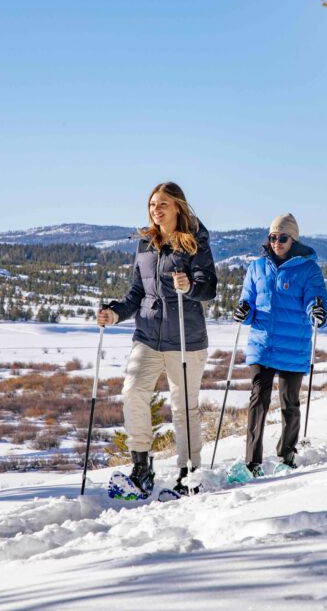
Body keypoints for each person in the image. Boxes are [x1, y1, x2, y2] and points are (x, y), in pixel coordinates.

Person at [98, 182, 217, 495]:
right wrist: (115, 313)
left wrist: (189, 285)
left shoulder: (195, 242)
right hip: (148, 337)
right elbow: (137, 292)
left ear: (178, 206)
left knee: (184, 407)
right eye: (152, 204)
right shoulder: (146, 244)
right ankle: (141, 466)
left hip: (186, 340)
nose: (156, 210)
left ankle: (188, 474)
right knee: (133, 391)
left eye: (163, 203)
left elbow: (209, 288)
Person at [233, 213, 327, 476]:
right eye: (273, 237)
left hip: (293, 346)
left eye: (282, 237)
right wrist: (244, 312)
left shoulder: (308, 269)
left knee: (289, 404)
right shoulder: (256, 267)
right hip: (262, 345)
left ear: (293, 239)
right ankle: (252, 462)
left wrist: (317, 313)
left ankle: (286, 458)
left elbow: (316, 301)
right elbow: (249, 303)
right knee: (258, 400)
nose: (276, 242)